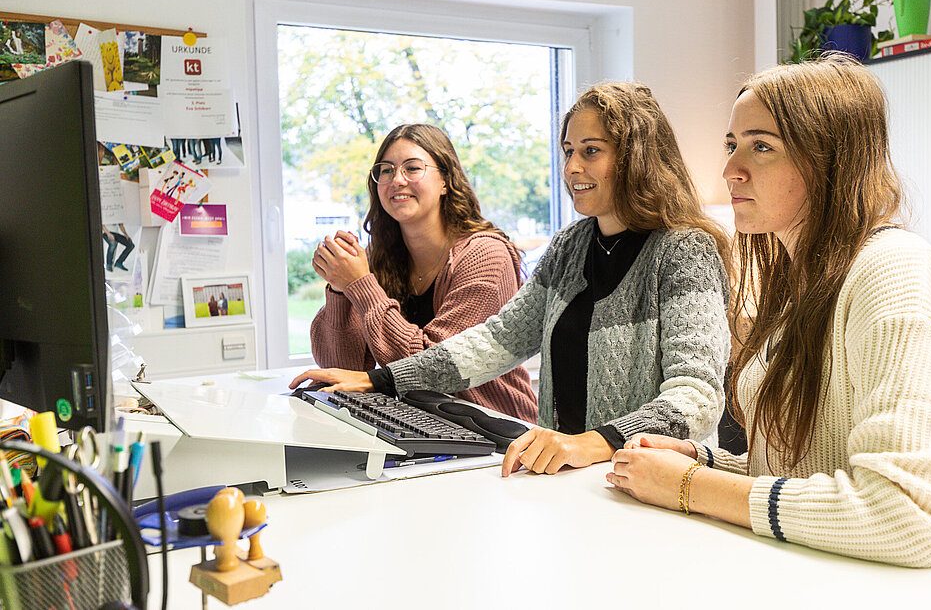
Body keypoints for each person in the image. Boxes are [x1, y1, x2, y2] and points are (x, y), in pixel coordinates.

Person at [605, 54, 931, 583]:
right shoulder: (803, 282)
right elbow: (811, 475)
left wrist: (691, 487)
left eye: (762, 147)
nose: (730, 170)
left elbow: (907, 512)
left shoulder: (896, 275)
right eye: (732, 145)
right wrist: (702, 461)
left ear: (830, 158)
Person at [290, 83, 731, 476]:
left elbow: (696, 396)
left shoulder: (683, 250)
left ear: (637, 156)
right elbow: (495, 341)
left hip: (659, 485)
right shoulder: (570, 247)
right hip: (569, 475)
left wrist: (593, 443)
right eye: (568, 151)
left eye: (590, 151)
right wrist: (382, 380)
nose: (572, 167)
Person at [292, 124, 537, 421]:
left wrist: (359, 284)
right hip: (424, 424)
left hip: (497, 430)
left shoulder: (486, 255)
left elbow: (432, 368)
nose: (397, 180)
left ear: (446, 180)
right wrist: (340, 289)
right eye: (385, 170)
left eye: (412, 168)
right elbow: (345, 368)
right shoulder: (380, 257)